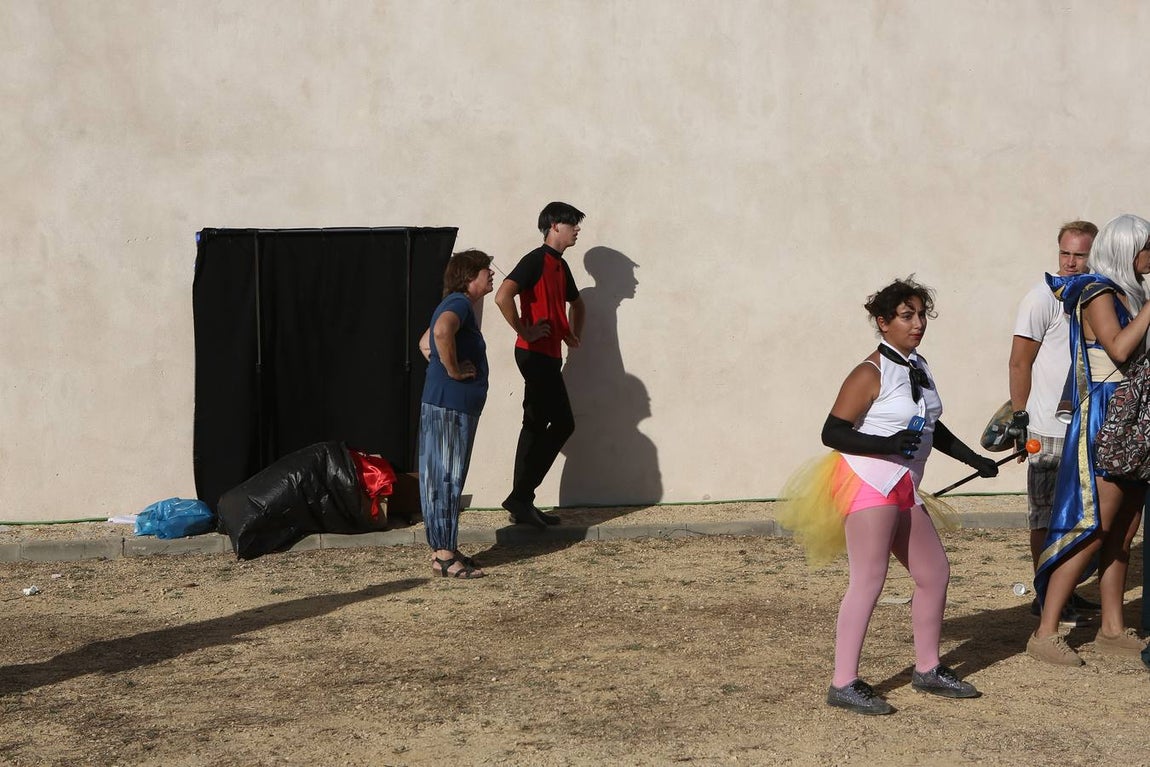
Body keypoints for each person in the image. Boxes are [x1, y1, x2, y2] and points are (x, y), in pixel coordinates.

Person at [782, 277, 997, 715]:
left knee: (934, 573)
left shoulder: (918, 366)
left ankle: (928, 667)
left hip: (904, 487)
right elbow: (833, 432)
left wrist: (975, 459)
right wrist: (887, 444)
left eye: (921, 315)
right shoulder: (869, 372)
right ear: (882, 323)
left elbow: (931, 427)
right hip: (867, 482)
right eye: (906, 316)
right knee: (869, 579)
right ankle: (843, 681)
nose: (917, 323)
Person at [1029, 214, 1150, 665]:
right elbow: (1118, 348)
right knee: (1094, 526)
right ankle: (1045, 631)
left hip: (1134, 416)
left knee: (1123, 529)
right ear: (1127, 248)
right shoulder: (1096, 291)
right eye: (1147, 246)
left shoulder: (1127, 292)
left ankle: (1113, 628)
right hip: (1105, 415)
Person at [1008, 221, 1100, 623]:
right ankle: (1045, 594)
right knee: (1044, 515)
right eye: (1065, 253)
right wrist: (1019, 418)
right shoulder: (1041, 298)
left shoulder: (1095, 296)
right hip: (1047, 425)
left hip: (1086, 423)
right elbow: (1019, 361)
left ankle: (1067, 590)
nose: (1070, 263)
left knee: (1079, 514)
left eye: (1079, 255)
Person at [494, 202, 586, 528]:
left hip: (547, 355)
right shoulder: (535, 260)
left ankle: (522, 503)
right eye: (572, 223)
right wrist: (524, 329)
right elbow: (503, 296)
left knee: (533, 425)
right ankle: (521, 495)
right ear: (554, 226)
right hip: (533, 354)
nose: (577, 229)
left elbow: (578, 303)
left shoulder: (561, 266)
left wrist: (571, 333)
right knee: (563, 424)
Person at [417, 249, 495, 578]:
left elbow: (424, 345)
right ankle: (444, 556)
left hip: (450, 406)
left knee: (447, 476)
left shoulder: (460, 306)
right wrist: (452, 372)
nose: (491, 275)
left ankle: (445, 547)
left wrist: (446, 367)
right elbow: (437, 335)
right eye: (485, 271)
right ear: (469, 277)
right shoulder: (460, 303)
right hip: (449, 408)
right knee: (445, 478)